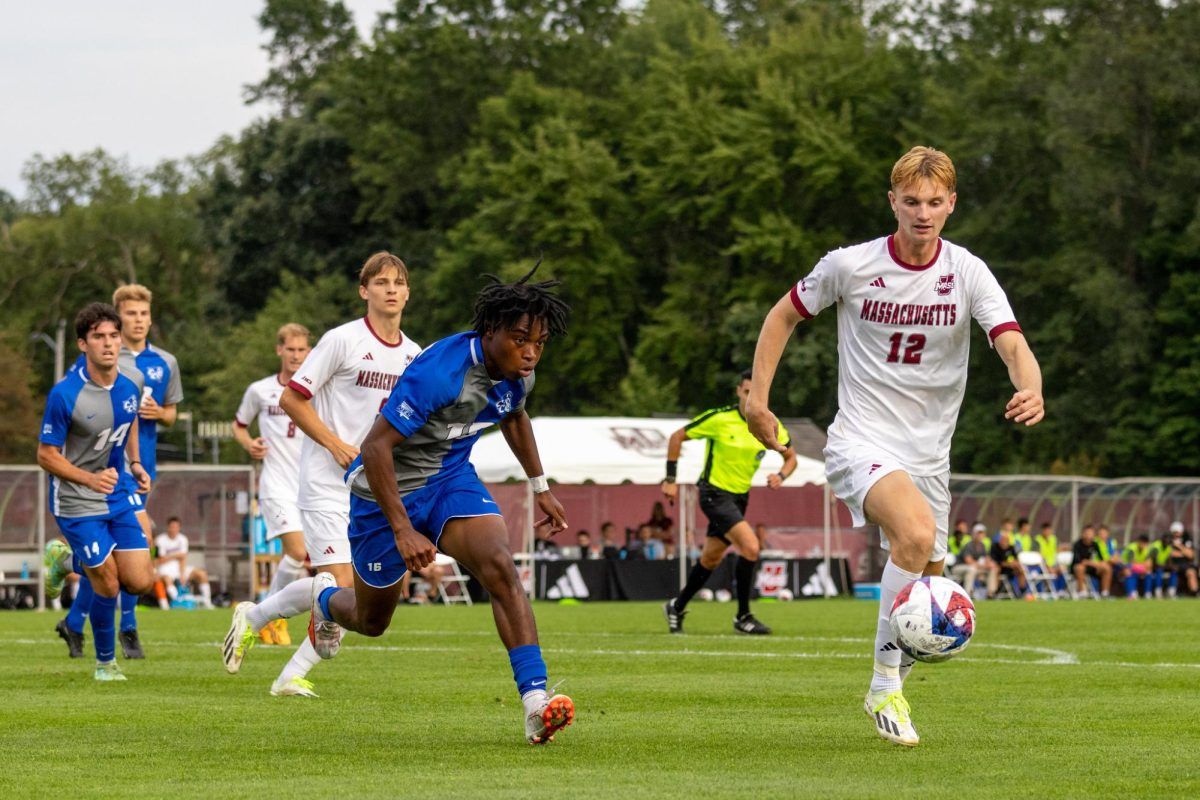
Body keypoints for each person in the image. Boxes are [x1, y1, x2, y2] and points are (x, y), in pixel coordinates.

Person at [744, 146, 1044, 746]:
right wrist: (757, 398)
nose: (923, 213)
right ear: (893, 202)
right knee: (911, 535)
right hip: (861, 439)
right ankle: (884, 685)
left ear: (952, 204)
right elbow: (782, 317)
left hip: (930, 458)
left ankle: (894, 676)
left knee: (930, 586)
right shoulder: (849, 265)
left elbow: (1009, 340)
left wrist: (1031, 385)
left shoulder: (968, 273)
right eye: (912, 202)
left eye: (935, 202)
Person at [230, 265, 576, 743]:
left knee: (500, 565)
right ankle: (321, 598)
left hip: (450, 481)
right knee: (371, 621)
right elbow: (374, 448)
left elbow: (514, 415)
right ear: (491, 331)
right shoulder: (439, 373)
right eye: (521, 339)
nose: (532, 351)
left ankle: (535, 701)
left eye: (540, 341)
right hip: (381, 492)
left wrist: (540, 486)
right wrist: (402, 530)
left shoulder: (520, 373)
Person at [222, 252, 421, 699]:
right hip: (325, 482)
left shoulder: (414, 355)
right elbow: (294, 399)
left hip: (376, 490)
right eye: (381, 282)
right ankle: (288, 671)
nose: (391, 289)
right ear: (363, 291)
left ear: (408, 292)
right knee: (341, 583)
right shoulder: (341, 340)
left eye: (399, 282)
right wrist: (334, 445)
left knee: (372, 596)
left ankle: (257, 623)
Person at [60, 283, 183, 660]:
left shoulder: (164, 363)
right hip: (101, 470)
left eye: (144, 314)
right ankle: (127, 628)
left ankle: (74, 620)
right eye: (131, 314)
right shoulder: (100, 357)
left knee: (116, 556)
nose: (139, 320)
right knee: (138, 544)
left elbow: (172, 414)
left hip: (140, 465)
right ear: (116, 316)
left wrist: (158, 414)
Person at [38, 303, 154, 680]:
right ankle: (106, 663)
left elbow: (131, 416)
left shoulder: (132, 380)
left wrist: (135, 464)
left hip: (117, 492)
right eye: (99, 337)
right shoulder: (65, 394)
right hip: (75, 500)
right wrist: (87, 479)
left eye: (113, 336)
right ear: (82, 344)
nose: (108, 343)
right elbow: (45, 455)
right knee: (107, 579)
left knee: (139, 581)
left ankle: (64, 562)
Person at [662, 369, 799, 636]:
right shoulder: (720, 418)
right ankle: (743, 616)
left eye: (755, 393)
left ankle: (676, 606)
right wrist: (670, 479)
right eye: (746, 392)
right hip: (714, 493)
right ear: (738, 391)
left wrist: (781, 475)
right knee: (751, 547)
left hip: (740, 498)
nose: (750, 399)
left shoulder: (770, 424)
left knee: (710, 559)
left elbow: (791, 457)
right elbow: (677, 437)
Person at [233, 322, 313, 646]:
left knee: (309, 561)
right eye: (290, 349)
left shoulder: (317, 388)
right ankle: (271, 619)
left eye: (301, 350)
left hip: (310, 487)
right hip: (276, 485)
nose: (296, 356)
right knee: (296, 551)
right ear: (279, 350)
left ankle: (264, 613)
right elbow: (239, 426)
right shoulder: (260, 390)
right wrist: (249, 443)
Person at [153, 516, 213, 608]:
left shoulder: (183, 539)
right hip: (165, 568)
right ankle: (178, 602)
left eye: (176, 527)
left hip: (180, 568)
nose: (174, 529)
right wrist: (176, 555)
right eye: (172, 527)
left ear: (179, 528)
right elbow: (161, 559)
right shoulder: (160, 539)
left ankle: (207, 602)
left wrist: (182, 574)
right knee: (167, 579)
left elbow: (183, 558)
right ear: (168, 527)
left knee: (202, 574)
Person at [949, 525, 991, 599]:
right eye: (978, 533)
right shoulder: (969, 545)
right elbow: (968, 561)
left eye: (982, 533)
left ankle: (990, 593)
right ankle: (967, 595)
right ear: (974, 534)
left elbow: (986, 558)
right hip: (958, 568)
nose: (980, 535)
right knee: (972, 569)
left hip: (973, 569)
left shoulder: (982, 546)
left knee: (991, 568)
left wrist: (988, 564)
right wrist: (982, 566)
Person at [1071, 525, 1112, 597]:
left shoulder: (1095, 544)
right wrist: (1091, 563)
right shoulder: (1077, 545)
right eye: (1087, 533)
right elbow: (1081, 561)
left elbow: (1101, 559)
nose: (1089, 536)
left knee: (1107, 568)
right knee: (1080, 568)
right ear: (1083, 534)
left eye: (1091, 533)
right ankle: (1082, 591)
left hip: (1091, 568)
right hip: (1078, 568)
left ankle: (1105, 592)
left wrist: (1096, 564)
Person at [988, 531, 1030, 598]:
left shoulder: (1011, 548)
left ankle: (1022, 590)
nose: (1004, 541)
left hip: (1010, 568)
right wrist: (1008, 564)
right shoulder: (995, 547)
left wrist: (1015, 563)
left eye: (1006, 539)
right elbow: (996, 561)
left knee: (1020, 570)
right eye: (1003, 539)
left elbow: (1016, 559)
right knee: (996, 569)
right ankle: (995, 592)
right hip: (1000, 568)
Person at [1164, 521, 1198, 597]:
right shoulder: (1168, 540)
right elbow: (1170, 554)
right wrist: (1183, 553)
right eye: (1174, 532)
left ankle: (1194, 592)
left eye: (1177, 532)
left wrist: (1179, 546)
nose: (1176, 534)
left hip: (1186, 565)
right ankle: (1172, 593)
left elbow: (1191, 555)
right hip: (1173, 565)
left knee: (1191, 572)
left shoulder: (1187, 540)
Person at [1122, 534, 1156, 599]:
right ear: (1138, 542)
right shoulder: (1132, 548)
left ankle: (1147, 593)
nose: (1144, 545)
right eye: (1142, 543)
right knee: (1129, 571)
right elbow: (1131, 562)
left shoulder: (1147, 549)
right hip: (1123, 566)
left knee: (1148, 572)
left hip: (1138, 567)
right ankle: (1131, 593)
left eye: (1145, 544)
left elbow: (1149, 563)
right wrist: (1142, 565)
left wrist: (1143, 566)